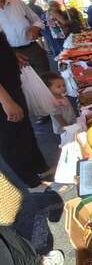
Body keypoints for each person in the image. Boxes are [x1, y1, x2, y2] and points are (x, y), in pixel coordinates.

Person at [0, 30, 48, 188]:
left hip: (11, 84)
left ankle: (40, 169)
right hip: (3, 95)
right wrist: (5, 100)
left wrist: (11, 54)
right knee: (10, 139)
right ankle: (33, 183)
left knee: (24, 128)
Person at [0, 0, 49, 76]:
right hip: (8, 54)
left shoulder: (17, 3)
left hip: (32, 49)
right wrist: (10, 53)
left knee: (46, 78)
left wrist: (35, 28)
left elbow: (37, 20)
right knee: (23, 85)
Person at [42, 72, 76, 138]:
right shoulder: (53, 104)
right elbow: (59, 118)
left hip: (71, 123)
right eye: (59, 87)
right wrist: (69, 129)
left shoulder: (63, 96)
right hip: (64, 129)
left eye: (64, 85)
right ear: (48, 89)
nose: (63, 88)